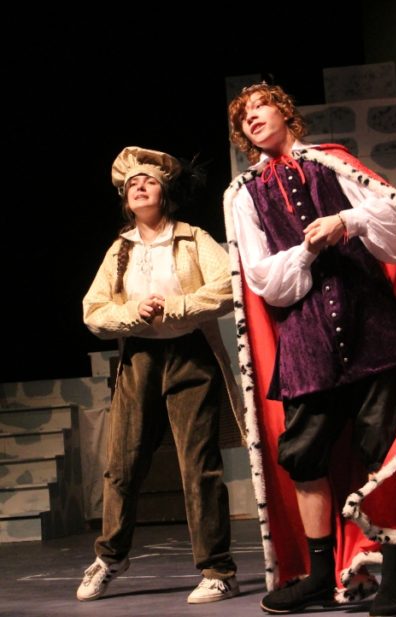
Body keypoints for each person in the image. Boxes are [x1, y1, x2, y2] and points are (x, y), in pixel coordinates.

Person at [223, 84, 396, 617]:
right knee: (303, 455)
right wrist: (306, 249)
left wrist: (347, 222)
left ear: (286, 112)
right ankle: (321, 574)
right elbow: (264, 278)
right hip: (307, 340)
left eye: (261, 106)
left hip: (371, 325)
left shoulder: (333, 164)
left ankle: (392, 576)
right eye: (243, 116)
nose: (253, 117)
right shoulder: (245, 193)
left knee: (382, 449)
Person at [78, 146, 246, 604]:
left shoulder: (193, 238)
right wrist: (134, 312)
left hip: (190, 353)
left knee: (199, 465)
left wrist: (177, 306)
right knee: (123, 464)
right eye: (132, 183)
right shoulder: (120, 250)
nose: (139, 187)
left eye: (148, 181)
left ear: (165, 191)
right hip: (139, 360)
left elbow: (229, 284)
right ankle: (111, 557)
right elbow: (93, 311)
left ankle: (218, 569)